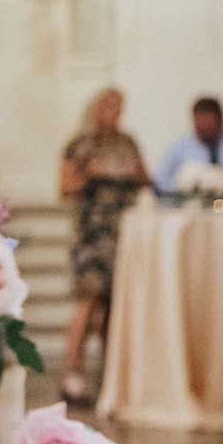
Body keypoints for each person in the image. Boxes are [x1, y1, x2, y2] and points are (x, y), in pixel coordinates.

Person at [58, 87, 150, 403]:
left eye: (119, 106)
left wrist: (137, 175)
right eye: (109, 105)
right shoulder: (80, 144)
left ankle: (110, 378)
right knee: (87, 301)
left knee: (113, 307)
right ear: (96, 107)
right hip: (91, 236)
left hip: (122, 234)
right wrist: (90, 174)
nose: (115, 112)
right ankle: (73, 372)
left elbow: (145, 179)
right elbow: (65, 187)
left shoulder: (127, 143)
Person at [153, 95, 223, 196]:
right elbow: (160, 181)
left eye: (209, 127)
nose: (204, 132)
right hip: (194, 207)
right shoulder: (180, 147)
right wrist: (185, 186)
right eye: (200, 128)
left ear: (221, 120)